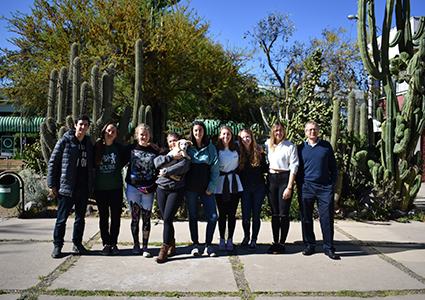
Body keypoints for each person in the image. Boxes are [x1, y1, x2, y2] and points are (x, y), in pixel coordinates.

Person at [48, 114, 94, 258]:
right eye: (81, 124)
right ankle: (57, 245)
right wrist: (52, 185)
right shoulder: (65, 142)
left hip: (82, 187)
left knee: (80, 218)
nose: (83, 127)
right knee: (61, 219)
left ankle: (77, 243)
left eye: (86, 125)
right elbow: (53, 163)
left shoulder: (88, 143)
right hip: (66, 187)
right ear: (75, 125)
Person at [296, 121, 339, 260]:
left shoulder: (326, 146)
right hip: (307, 187)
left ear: (318, 131)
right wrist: (300, 185)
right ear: (305, 132)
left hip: (324, 188)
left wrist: (331, 184)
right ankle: (310, 245)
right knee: (306, 218)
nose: (312, 132)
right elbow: (298, 169)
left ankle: (328, 247)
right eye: (309, 130)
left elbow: (333, 167)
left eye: (314, 129)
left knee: (326, 218)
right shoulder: (301, 148)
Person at [154, 132, 191, 263]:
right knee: (166, 220)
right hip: (161, 189)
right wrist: (171, 158)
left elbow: (182, 167)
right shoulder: (166, 154)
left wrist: (165, 171)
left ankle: (163, 250)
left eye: (175, 141)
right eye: (170, 141)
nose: (173, 143)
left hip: (176, 190)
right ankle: (172, 245)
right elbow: (156, 162)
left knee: (168, 218)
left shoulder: (185, 157)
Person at [185, 121, 219, 257]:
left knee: (213, 217)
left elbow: (215, 170)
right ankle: (195, 245)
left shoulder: (211, 149)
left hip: (206, 190)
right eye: (195, 131)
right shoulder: (187, 147)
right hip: (190, 189)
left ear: (204, 132)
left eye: (200, 130)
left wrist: (211, 187)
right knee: (193, 216)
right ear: (192, 132)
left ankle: (208, 245)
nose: (198, 133)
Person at [124, 123, 158, 258]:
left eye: (146, 134)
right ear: (137, 135)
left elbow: (164, 156)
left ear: (149, 136)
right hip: (133, 188)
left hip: (148, 188)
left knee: (147, 217)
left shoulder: (153, 150)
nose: (144, 136)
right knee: (135, 217)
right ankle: (136, 244)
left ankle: (145, 246)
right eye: (141, 134)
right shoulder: (130, 149)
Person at [265, 121, 299, 254]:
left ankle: (282, 243)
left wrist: (289, 187)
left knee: (283, 213)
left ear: (284, 131)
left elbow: (294, 167)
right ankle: (275, 242)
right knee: (274, 213)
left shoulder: (290, 146)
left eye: (280, 130)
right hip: (271, 179)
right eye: (276, 130)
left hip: (284, 179)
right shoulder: (269, 144)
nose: (278, 133)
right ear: (273, 132)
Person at [93, 122, 126, 256]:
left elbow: (133, 149)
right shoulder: (97, 147)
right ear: (103, 132)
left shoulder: (119, 148)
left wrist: (152, 146)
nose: (110, 133)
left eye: (113, 131)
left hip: (116, 187)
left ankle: (114, 242)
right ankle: (106, 243)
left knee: (116, 217)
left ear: (116, 134)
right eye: (108, 131)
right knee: (104, 217)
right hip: (101, 188)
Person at [238, 128, 268, 251]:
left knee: (256, 215)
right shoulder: (238, 153)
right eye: (242, 138)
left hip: (259, 187)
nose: (245, 139)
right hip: (245, 188)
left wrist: (263, 154)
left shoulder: (259, 152)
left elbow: (265, 169)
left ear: (251, 138)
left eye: (247, 137)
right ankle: (246, 237)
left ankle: (254, 239)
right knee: (245, 215)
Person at [214, 126, 243, 251]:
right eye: (224, 134)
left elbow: (250, 145)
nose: (226, 137)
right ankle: (221, 239)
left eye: (229, 134)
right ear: (220, 135)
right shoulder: (216, 149)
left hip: (234, 184)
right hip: (220, 184)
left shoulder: (237, 147)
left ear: (232, 135)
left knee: (232, 213)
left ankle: (230, 239)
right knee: (222, 213)